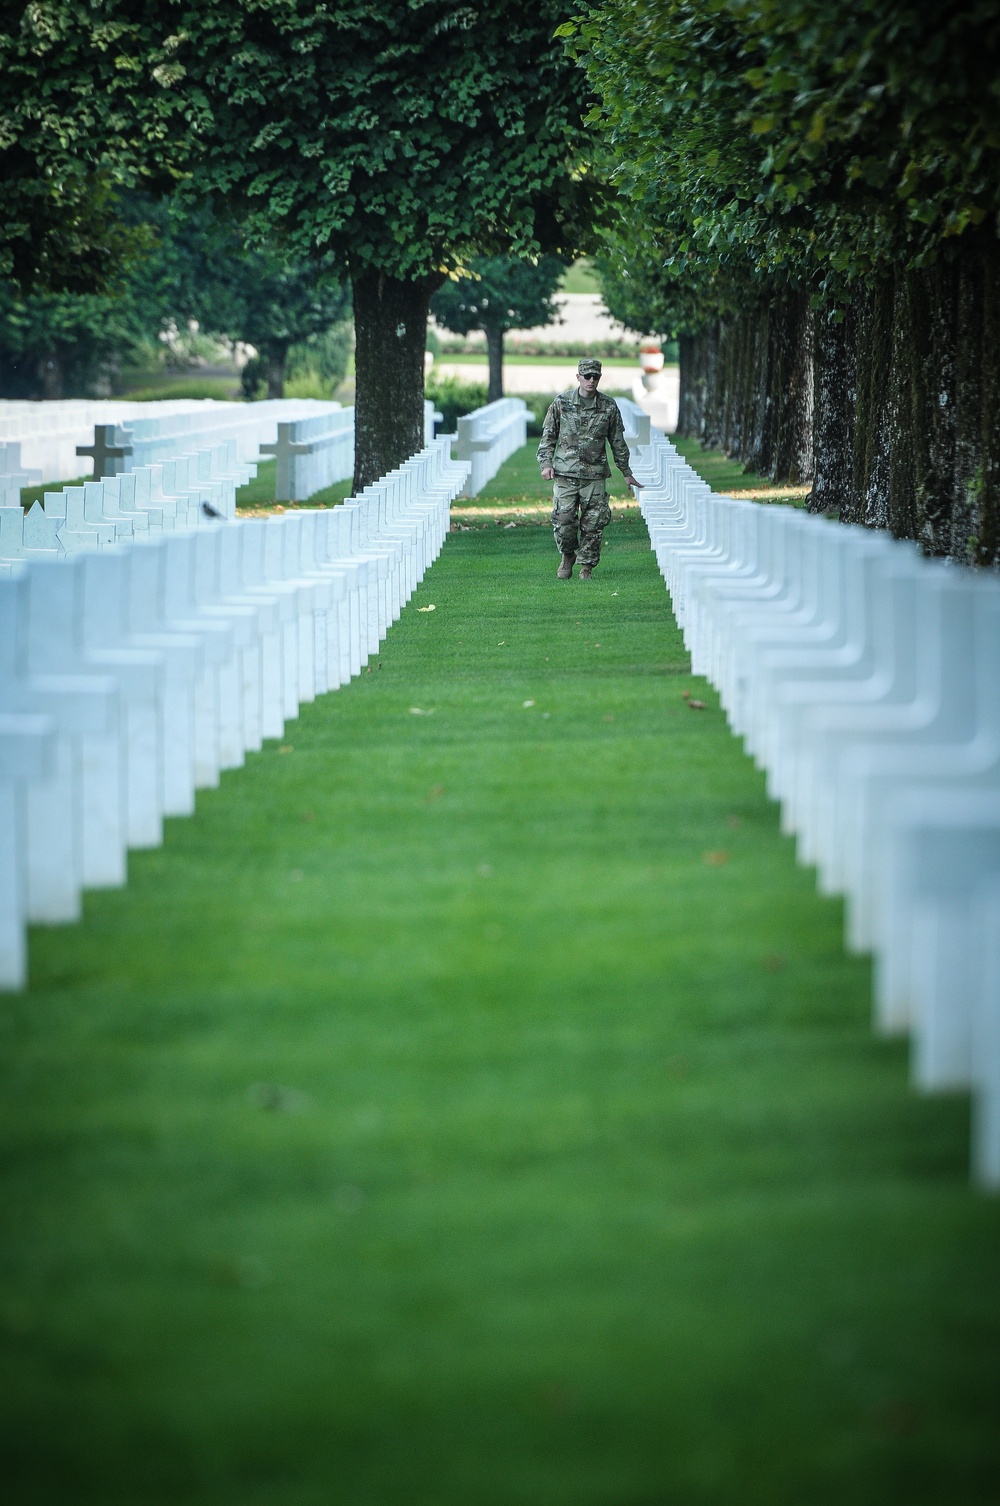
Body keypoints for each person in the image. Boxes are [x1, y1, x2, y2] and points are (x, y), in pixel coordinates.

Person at [536, 357, 644, 580]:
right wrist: (546, 463)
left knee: (593, 524)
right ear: (578, 377)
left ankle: (587, 566)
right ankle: (568, 555)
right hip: (565, 473)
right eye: (587, 376)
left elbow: (617, 441)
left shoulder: (608, 406)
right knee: (563, 520)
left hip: (594, 475)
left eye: (596, 376)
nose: (591, 380)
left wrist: (626, 472)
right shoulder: (562, 402)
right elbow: (548, 436)